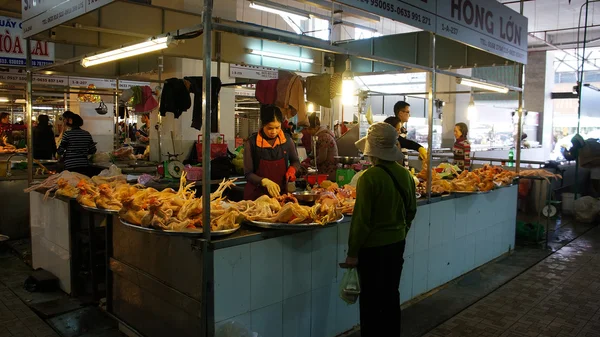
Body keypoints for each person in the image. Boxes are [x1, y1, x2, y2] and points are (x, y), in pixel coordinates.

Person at [343, 122, 417, 337]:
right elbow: (411, 211)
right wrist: (401, 232)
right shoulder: (405, 175)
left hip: (373, 250)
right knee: (391, 296)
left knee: (371, 303)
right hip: (396, 245)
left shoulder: (369, 178)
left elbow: (361, 221)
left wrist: (352, 253)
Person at [244, 105, 301, 200]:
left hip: (280, 196)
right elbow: (248, 174)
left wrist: (292, 170)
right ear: (263, 125)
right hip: (257, 197)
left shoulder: (287, 140)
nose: (274, 131)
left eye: (277, 127)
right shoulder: (252, 143)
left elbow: (295, 161)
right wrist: (264, 181)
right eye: (270, 128)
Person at [57, 111, 97, 176]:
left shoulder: (67, 134)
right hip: (84, 164)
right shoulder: (87, 134)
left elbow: (60, 150)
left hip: (70, 164)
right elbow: (93, 150)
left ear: (70, 121)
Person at [304, 113, 339, 181]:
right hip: (324, 170)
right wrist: (308, 159)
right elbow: (314, 152)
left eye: (310, 129)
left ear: (316, 127)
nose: (308, 131)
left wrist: (310, 163)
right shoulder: (318, 136)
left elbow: (322, 157)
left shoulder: (323, 137)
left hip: (328, 172)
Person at [394, 101, 427, 168]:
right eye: (408, 112)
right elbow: (401, 141)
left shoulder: (403, 129)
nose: (410, 115)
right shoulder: (393, 127)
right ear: (400, 113)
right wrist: (419, 148)